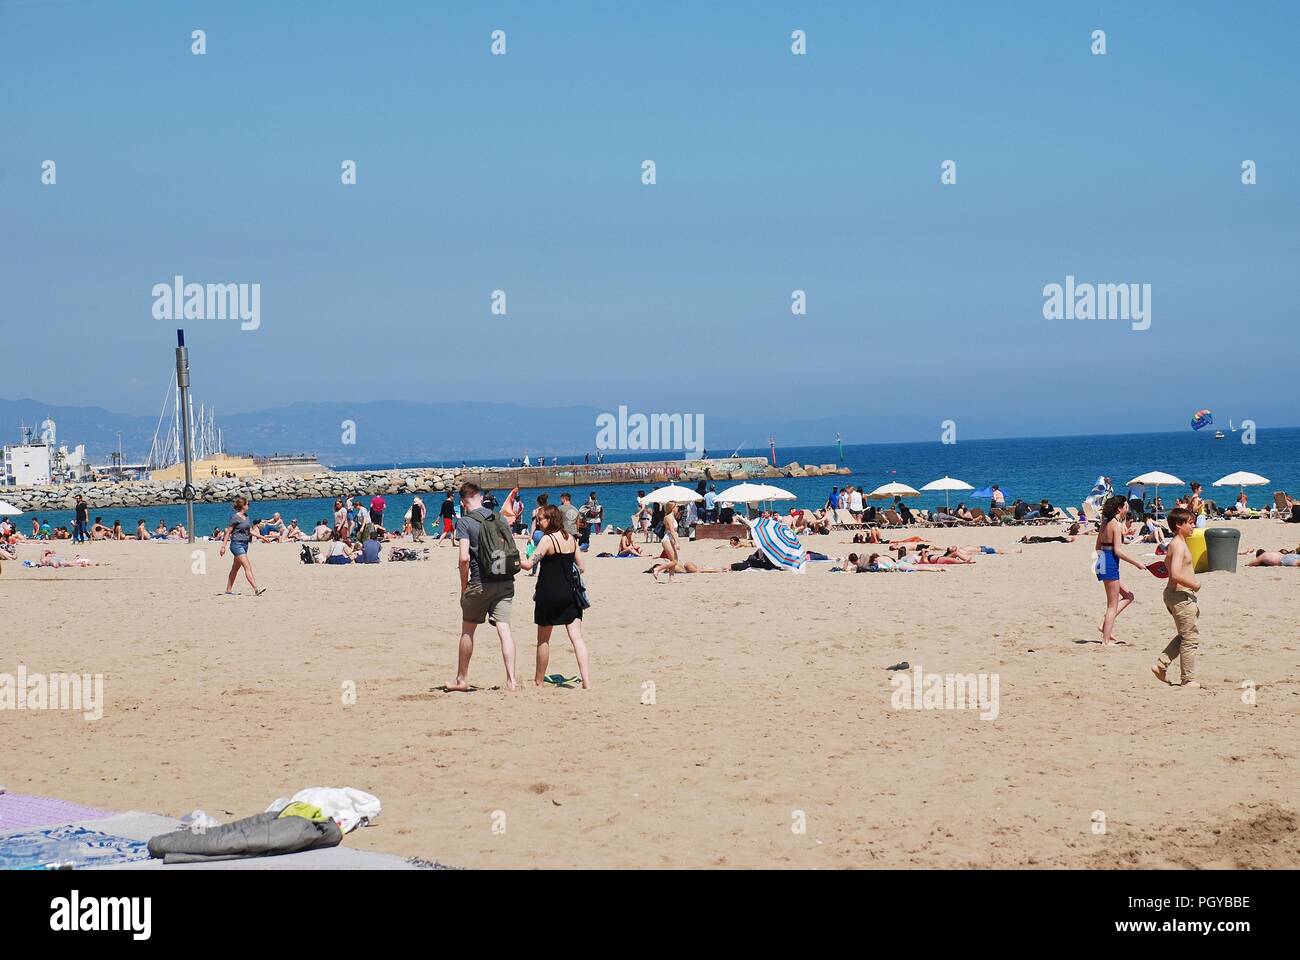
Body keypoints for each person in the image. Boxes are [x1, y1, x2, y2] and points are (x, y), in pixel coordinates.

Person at [446, 482, 519, 692]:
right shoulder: (500, 518)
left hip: (479, 582)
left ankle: (462, 679)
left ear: (462, 502)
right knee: (505, 630)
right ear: (480, 497)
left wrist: (463, 587)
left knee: (468, 630)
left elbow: (463, 559)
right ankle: (512, 680)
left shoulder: (465, 522)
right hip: (504, 580)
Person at [518, 503, 591, 689]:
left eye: (540, 519)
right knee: (577, 638)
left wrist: (512, 559)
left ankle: (539, 681)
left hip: (548, 593)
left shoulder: (547, 540)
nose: (538, 522)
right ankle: (587, 681)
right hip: (570, 593)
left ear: (550, 519)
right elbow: (582, 567)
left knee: (543, 640)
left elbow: (529, 564)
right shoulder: (571, 539)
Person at [1152, 508, 1202, 687]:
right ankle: (1187, 679)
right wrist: (1194, 584)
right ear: (1179, 525)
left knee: (1184, 635)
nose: (1193, 525)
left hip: (1176, 595)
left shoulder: (1177, 543)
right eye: (1190, 522)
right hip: (1180, 596)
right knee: (1190, 639)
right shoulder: (1178, 545)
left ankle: (1161, 665)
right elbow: (1174, 573)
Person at [1095, 495, 1146, 645]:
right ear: (1120, 508)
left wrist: (1123, 535)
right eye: (1126, 505)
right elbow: (1118, 551)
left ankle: (1104, 626)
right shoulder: (1116, 524)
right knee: (1112, 605)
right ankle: (1105, 640)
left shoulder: (1105, 523)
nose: (1128, 507)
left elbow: (1098, 547)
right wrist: (1136, 563)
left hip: (1101, 560)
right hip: (1110, 562)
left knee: (1129, 596)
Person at [219, 496, 270, 595]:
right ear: (243, 506)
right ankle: (256, 589)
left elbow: (250, 531)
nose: (249, 506)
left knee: (235, 568)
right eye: (248, 504)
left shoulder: (246, 517)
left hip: (245, 544)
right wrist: (223, 546)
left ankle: (228, 590)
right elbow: (228, 532)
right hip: (236, 545)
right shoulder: (235, 517)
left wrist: (262, 537)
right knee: (247, 566)